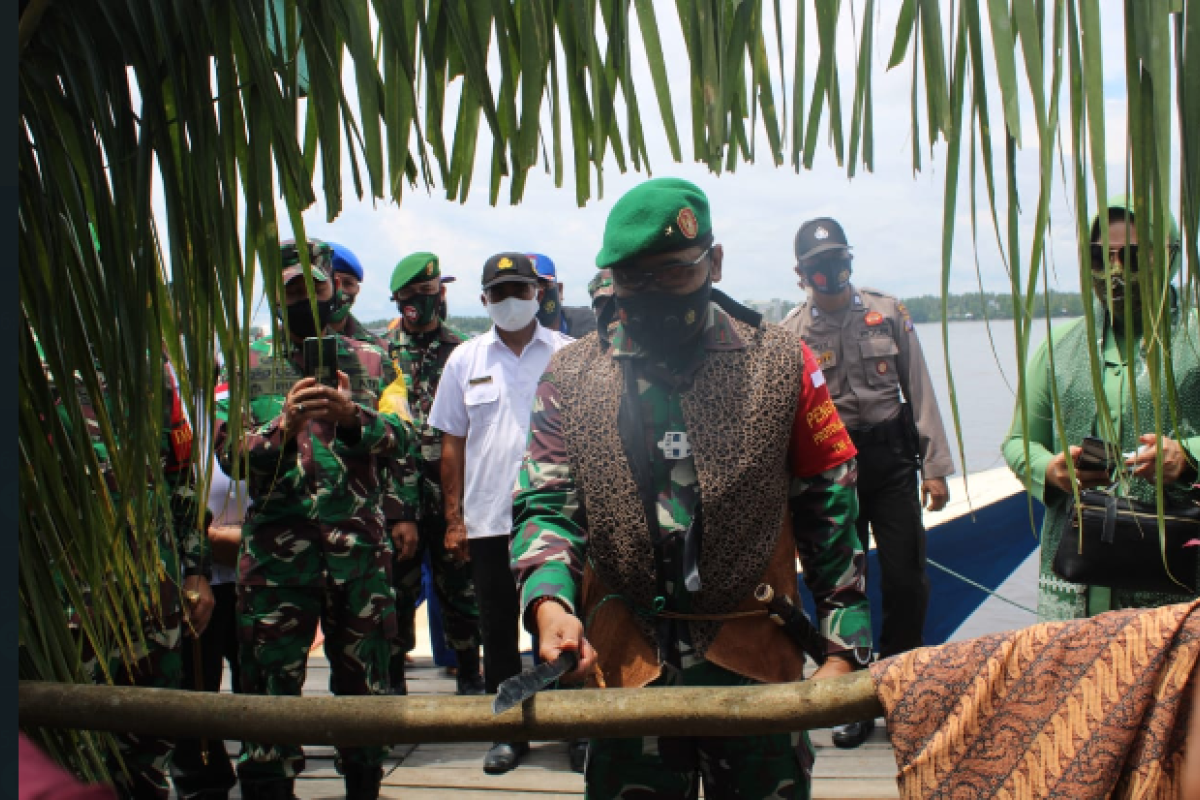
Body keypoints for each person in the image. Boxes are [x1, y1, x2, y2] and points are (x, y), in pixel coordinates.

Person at [512, 177, 872, 799]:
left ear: (715, 261)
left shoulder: (782, 362)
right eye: (633, 281)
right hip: (625, 662)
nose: (651, 295)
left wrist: (844, 650)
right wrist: (550, 605)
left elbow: (829, 507)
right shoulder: (570, 375)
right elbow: (547, 504)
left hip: (752, 655)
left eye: (674, 274)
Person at [214, 240, 412, 800]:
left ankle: (364, 784)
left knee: (366, 701)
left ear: (334, 288)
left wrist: (354, 418)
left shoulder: (374, 359)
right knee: (268, 704)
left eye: (317, 287)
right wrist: (284, 427)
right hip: (277, 565)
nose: (308, 298)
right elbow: (231, 457)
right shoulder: (247, 363)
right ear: (277, 299)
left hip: (359, 564)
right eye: (293, 290)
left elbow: (406, 439)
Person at [779, 216, 954, 749]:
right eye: (818, 267)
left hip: (890, 460)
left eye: (837, 260)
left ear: (849, 260)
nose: (830, 273)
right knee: (840, 585)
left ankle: (901, 688)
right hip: (829, 472)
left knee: (904, 579)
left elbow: (918, 391)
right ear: (801, 274)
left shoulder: (888, 313)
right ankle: (851, 697)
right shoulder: (791, 335)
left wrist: (936, 468)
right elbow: (786, 419)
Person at [1002, 195, 1199, 622]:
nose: (1113, 272)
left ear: (1170, 258)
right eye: (1099, 257)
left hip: (1177, 589)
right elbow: (1019, 441)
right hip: (1075, 583)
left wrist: (1188, 456)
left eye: (1131, 258)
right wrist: (1052, 470)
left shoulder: (1195, 340)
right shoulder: (1061, 348)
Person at [37, 334, 213, 799]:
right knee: (67, 759)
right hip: (64, 609)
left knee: (148, 756)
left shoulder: (147, 362)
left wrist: (195, 572)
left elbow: (181, 483)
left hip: (153, 606)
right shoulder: (30, 355)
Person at [428, 253, 573, 775]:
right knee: (497, 629)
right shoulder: (465, 360)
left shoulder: (569, 355)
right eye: (500, 291)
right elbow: (452, 443)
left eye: (520, 288)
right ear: (484, 299)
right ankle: (508, 729)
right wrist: (453, 518)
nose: (511, 300)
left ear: (538, 293)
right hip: (489, 518)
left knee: (557, 620)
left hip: (557, 517)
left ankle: (567, 724)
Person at [384, 251, 484, 696]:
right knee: (396, 594)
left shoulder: (461, 350)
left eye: (437, 291)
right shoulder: (382, 355)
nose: (433, 299)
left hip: (451, 494)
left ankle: (468, 675)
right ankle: (392, 684)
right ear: (402, 299)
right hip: (397, 498)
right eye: (422, 293)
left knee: (461, 593)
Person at [170, 385, 245, 800]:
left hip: (256, 573)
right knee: (194, 684)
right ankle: (203, 778)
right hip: (193, 574)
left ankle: (265, 774)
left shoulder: (235, 401)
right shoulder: (162, 404)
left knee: (258, 682)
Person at [529, 252, 598, 337]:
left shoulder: (588, 323)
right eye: (525, 290)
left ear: (559, 290)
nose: (537, 295)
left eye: (542, 285)